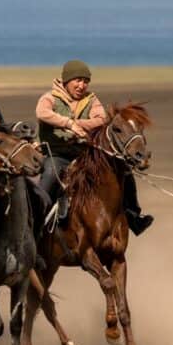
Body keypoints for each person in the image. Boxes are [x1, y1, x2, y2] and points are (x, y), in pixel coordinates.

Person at [35, 60, 153, 235]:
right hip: (56, 153)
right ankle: (36, 221)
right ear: (67, 80)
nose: (82, 85)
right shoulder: (50, 98)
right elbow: (42, 113)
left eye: (85, 81)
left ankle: (134, 216)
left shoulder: (91, 99)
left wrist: (77, 123)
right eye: (78, 80)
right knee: (51, 174)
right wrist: (68, 124)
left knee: (124, 172)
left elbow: (101, 119)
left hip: (83, 153)